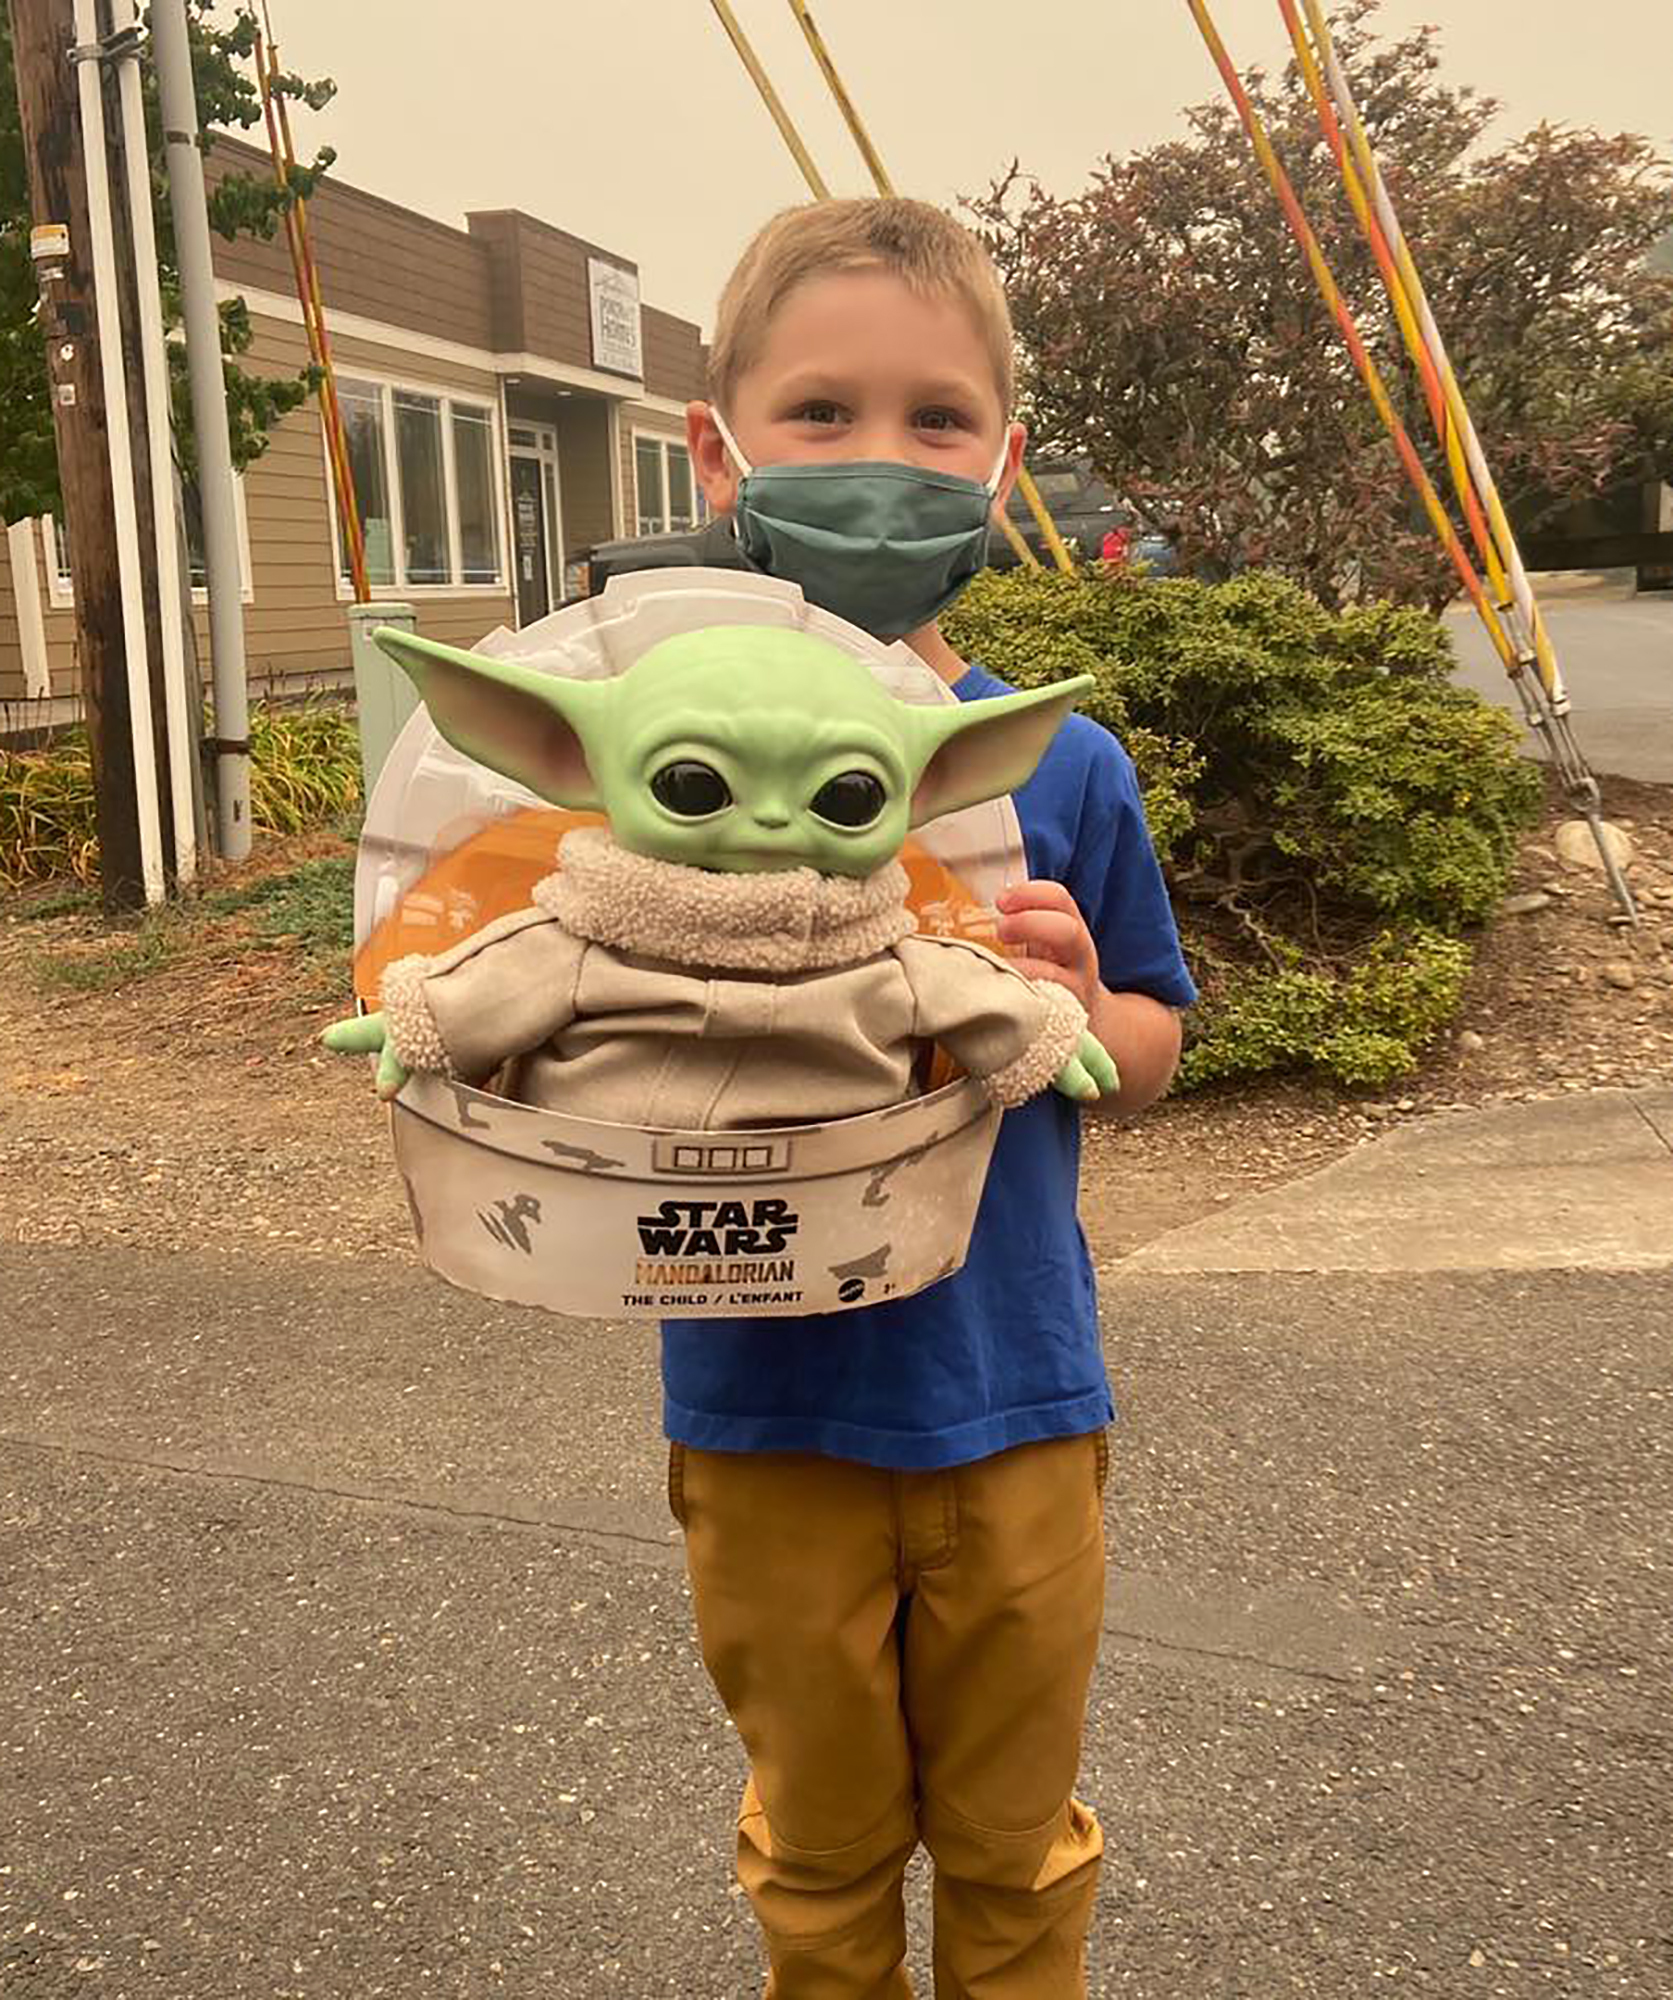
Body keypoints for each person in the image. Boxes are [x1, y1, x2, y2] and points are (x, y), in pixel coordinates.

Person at [667, 196, 1198, 1999]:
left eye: (935, 420)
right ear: (716, 444)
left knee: (1013, 1845)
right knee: (815, 1859)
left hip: (1018, 1398)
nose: (878, 460)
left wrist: (1069, 1006)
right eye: (819, 414)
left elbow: (1148, 1048)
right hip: (763, 1404)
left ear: (1001, 464)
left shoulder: (1060, 764)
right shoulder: (636, 766)